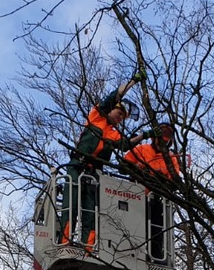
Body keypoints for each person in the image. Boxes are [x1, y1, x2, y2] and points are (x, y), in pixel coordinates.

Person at [60, 71, 149, 249]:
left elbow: (125, 144)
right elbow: (114, 95)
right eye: (119, 112)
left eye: (123, 117)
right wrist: (133, 82)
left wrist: (144, 135)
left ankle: (88, 249)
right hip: (77, 167)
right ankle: (64, 243)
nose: (120, 117)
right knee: (72, 205)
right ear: (112, 109)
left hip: (93, 174)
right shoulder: (97, 117)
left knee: (90, 213)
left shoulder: (113, 134)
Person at [122, 121, 180, 262]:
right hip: (136, 196)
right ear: (154, 138)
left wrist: (161, 178)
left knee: (156, 230)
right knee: (135, 228)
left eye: (165, 141)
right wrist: (138, 168)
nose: (162, 144)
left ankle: (156, 257)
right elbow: (123, 165)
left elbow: (175, 182)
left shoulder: (171, 159)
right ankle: (132, 254)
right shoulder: (142, 149)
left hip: (155, 199)